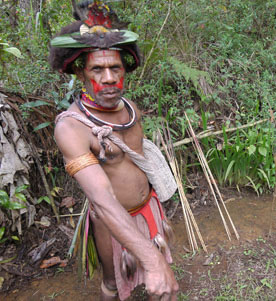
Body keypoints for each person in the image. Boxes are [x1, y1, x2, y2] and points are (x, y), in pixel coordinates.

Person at [49, 2, 178, 300]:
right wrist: (152, 259)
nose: (108, 78)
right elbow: (103, 200)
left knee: (158, 276)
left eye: (115, 68)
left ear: (125, 69)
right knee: (113, 282)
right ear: (81, 72)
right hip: (112, 222)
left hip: (149, 210)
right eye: (97, 68)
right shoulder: (72, 128)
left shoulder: (130, 108)